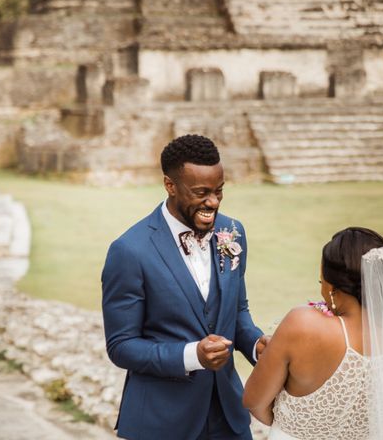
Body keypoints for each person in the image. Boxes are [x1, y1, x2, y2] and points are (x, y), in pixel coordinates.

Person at [101, 134, 268, 439]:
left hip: (229, 417)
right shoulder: (129, 251)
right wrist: (193, 356)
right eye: (201, 192)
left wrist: (257, 345)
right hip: (161, 422)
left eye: (219, 191)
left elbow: (237, 311)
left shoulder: (232, 232)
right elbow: (121, 345)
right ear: (170, 185)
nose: (213, 202)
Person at [243, 227, 383, 439]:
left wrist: (291, 426)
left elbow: (254, 401)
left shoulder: (302, 324)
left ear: (331, 287)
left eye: (321, 282)